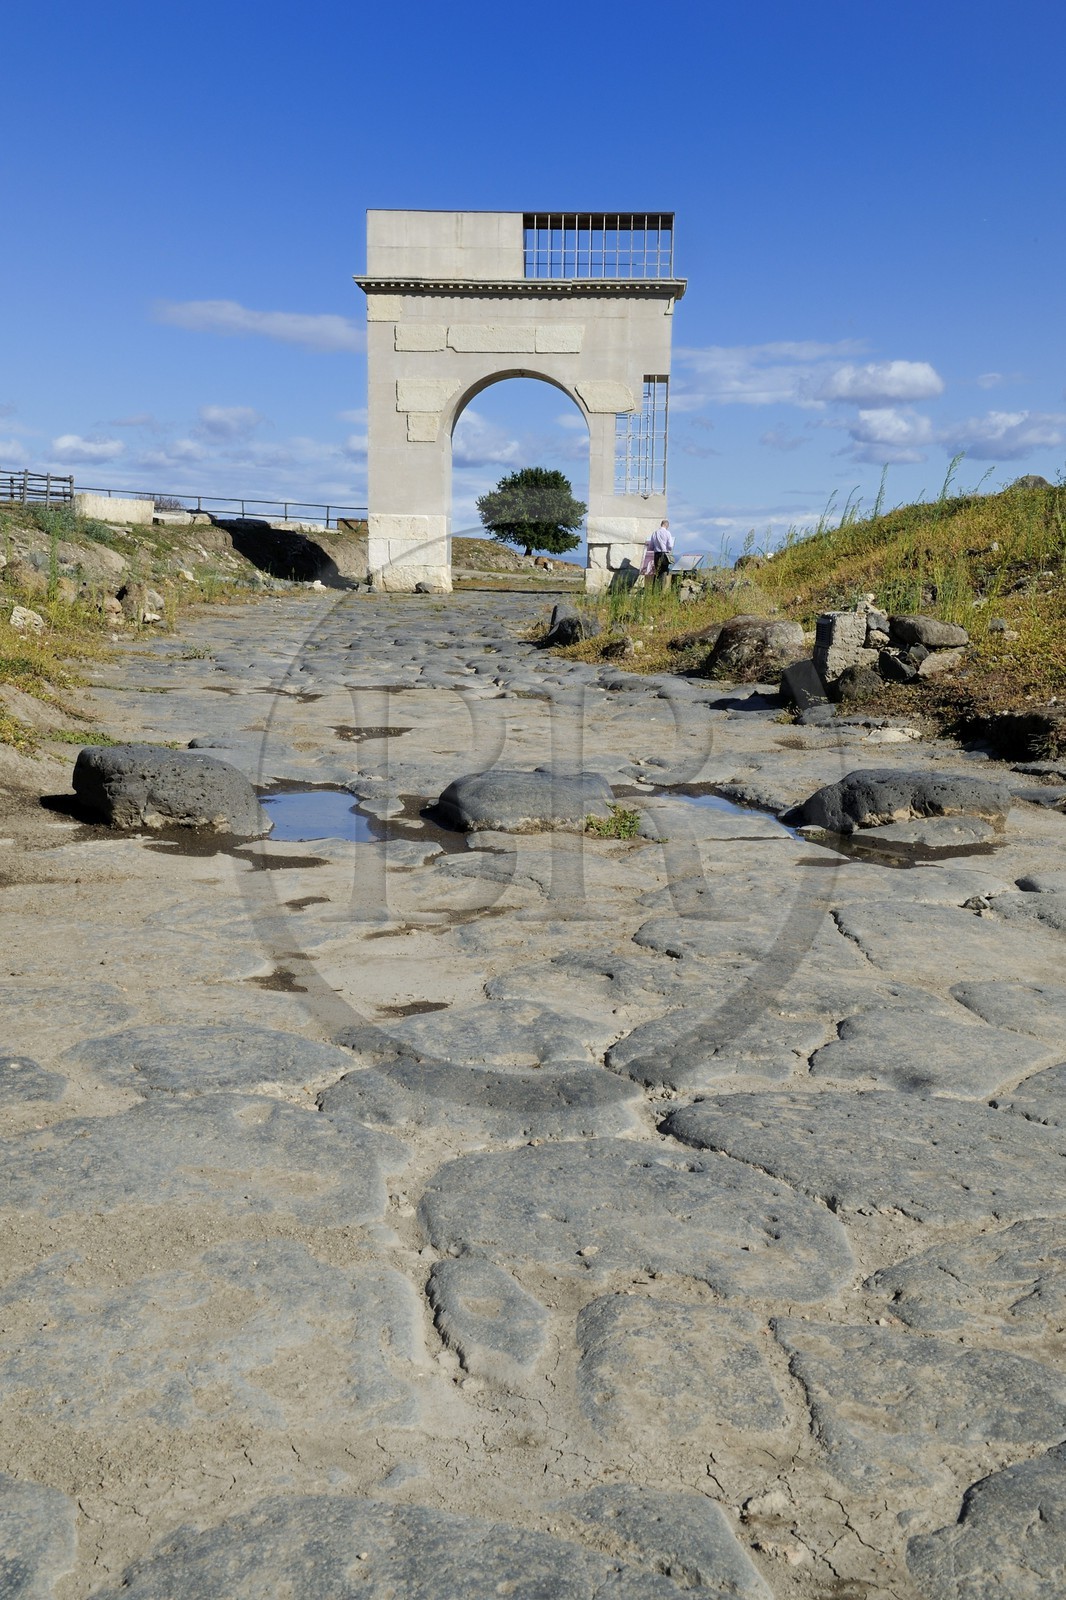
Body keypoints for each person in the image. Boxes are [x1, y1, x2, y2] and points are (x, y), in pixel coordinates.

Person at [641, 519, 674, 587]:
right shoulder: (667, 533)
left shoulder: (655, 533)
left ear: (661, 524)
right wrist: (668, 549)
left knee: (657, 572)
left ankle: (656, 589)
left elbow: (651, 546)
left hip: (656, 555)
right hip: (665, 554)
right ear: (667, 525)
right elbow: (670, 545)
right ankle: (661, 589)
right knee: (663, 572)